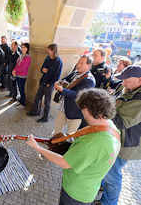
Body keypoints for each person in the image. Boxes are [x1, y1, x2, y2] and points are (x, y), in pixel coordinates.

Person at [26, 88, 121, 205]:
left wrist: (37, 147)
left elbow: (64, 163)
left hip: (76, 192)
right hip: (89, 188)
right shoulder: (110, 126)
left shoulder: (94, 142)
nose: (82, 113)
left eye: (84, 110)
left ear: (96, 112)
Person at [100, 65, 141, 205]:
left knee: (112, 175)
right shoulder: (127, 88)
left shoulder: (139, 98)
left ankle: (108, 203)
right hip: (115, 138)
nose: (123, 83)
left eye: (127, 80)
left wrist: (101, 109)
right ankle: (102, 192)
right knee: (106, 170)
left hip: (126, 143)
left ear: (139, 80)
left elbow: (121, 121)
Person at [53, 55, 96, 136]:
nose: (78, 65)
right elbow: (65, 79)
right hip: (63, 107)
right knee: (56, 130)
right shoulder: (75, 73)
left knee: (70, 135)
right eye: (78, 62)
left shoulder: (89, 80)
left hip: (76, 111)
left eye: (81, 63)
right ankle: (53, 145)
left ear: (89, 66)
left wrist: (62, 90)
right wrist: (60, 82)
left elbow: (78, 95)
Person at [27, 44, 63, 123]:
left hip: (49, 85)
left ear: (53, 51)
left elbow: (57, 76)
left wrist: (50, 83)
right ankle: (35, 112)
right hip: (43, 81)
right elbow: (42, 68)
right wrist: (42, 70)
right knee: (37, 98)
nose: (47, 51)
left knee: (47, 102)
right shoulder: (47, 58)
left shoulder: (58, 61)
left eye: (49, 50)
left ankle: (45, 117)